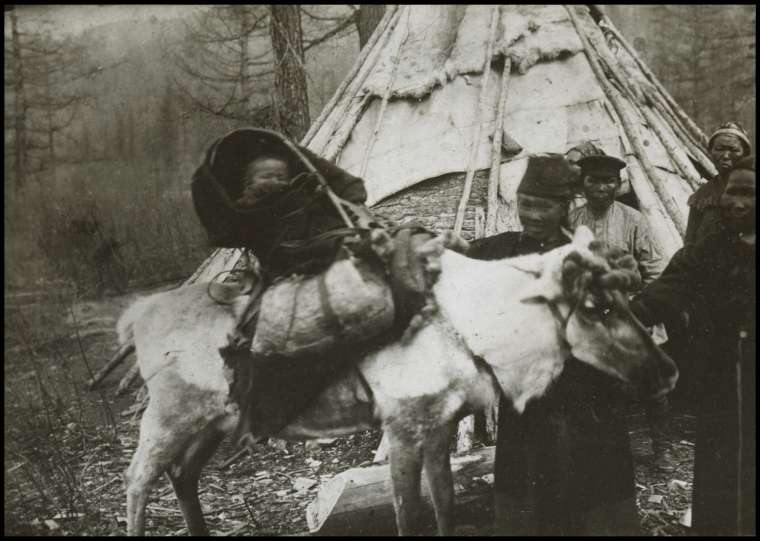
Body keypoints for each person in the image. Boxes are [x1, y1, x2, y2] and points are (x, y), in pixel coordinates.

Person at [468, 154, 642, 535]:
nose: (530, 214)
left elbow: (616, 313)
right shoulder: (500, 249)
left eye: (542, 206)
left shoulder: (590, 255)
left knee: (586, 479)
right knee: (529, 479)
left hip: (583, 390)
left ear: (564, 207)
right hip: (529, 392)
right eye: (525, 204)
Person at [191, 128, 378, 440]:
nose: (275, 182)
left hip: (326, 263)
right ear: (249, 184)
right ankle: (263, 408)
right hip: (286, 277)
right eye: (265, 177)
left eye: (280, 175)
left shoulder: (306, 197)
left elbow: (350, 191)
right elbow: (228, 230)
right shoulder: (249, 213)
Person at [630, 156, 756, 535]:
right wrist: (618, 318)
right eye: (732, 192)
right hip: (721, 379)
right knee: (722, 463)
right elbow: (662, 294)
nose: (737, 202)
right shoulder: (708, 250)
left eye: (750, 193)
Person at [567, 149, 674, 471]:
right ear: (582, 185)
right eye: (594, 181)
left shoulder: (633, 220)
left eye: (609, 182)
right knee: (599, 385)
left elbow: (654, 267)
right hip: (589, 315)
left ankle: (663, 448)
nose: (601, 188)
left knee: (651, 384)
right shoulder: (571, 221)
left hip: (631, 311)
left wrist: (647, 310)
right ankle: (607, 452)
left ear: (619, 184)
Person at [685, 121, 752, 245]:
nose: (726, 156)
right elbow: (690, 243)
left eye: (733, 150)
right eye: (719, 149)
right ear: (711, 152)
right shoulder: (701, 195)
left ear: (745, 154)